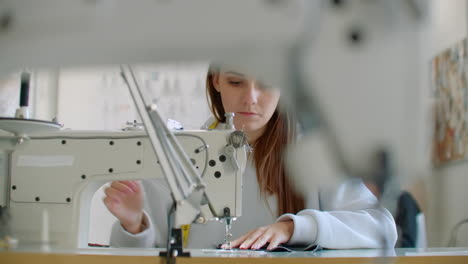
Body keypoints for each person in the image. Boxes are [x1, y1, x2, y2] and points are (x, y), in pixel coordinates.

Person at [105, 64, 398, 250]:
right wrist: (134, 224)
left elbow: (382, 227)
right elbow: (147, 252)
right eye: (236, 82)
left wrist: (293, 228)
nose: (251, 98)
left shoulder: (314, 154)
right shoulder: (180, 154)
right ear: (216, 80)